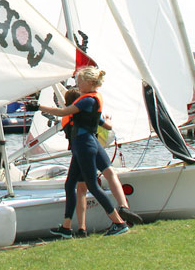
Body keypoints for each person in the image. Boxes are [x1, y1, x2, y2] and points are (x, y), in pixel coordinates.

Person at [26, 67, 131, 237]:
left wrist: (38, 106)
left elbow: (63, 112)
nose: (77, 84)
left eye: (80, 81)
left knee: (92, 185)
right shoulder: (89, 100)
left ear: (90, 83)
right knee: (70, 184)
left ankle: (118, 222)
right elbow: (103, 123)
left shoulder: (87, 101)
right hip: (84, 144)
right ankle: (66, 227)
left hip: (84, 144)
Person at [55, 88, 142, 237]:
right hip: (92, 146)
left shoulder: (69, 116)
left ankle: (84, 227)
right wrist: (108, 118)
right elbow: (107, 126)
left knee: (81, 187)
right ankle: (123, 208)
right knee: (109, 173)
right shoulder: (87, 109)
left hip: (80, 150)